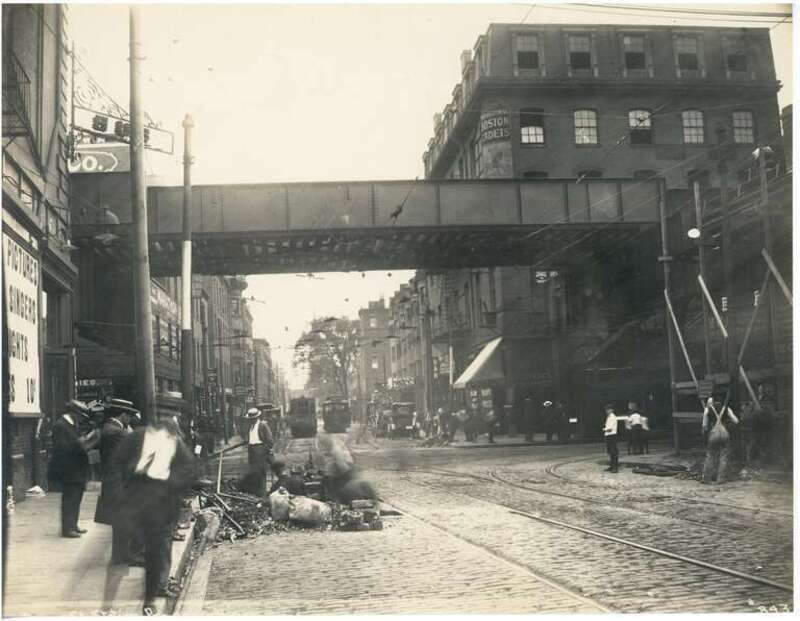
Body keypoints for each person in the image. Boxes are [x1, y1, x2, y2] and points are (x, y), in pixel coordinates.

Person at [112, 415, 196, 615]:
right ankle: (156, 583)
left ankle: (156, 585)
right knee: (154, 546)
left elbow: (187, 470)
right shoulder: (136, 439)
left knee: (157, 548)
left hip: (161, 504)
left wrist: (168, 480)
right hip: (140, 504)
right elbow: (116, 464)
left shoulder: (174, 445)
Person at [94, 399, 143, 564]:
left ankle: (120, 555)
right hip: (120, 483)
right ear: (122, 415)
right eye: (129, 416)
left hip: (114, 482)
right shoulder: (118, 433)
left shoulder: (110, 428)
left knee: (121, 520)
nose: (130, 420)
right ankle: (126, 555)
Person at [48, 400, 101, 537]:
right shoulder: (61, 426)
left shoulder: (72, 425)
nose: (82, 419)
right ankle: (67, 529)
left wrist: (84, 441)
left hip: (76, 469)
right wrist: (82, 443)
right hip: (69, 470)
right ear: (74, 413)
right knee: (70, 499)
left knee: (76, 498)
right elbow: (61, 448)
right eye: (81, 416)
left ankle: (73, 525)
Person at [702, 397, 739, 484]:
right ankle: (721, 479)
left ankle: (706, 478)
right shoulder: (726, 409)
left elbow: (704, 426)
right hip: (724, 433)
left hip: (713, 434)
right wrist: (727, 424)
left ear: (713, 401)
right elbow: (736, 421)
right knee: (724, 456)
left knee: (710, 455)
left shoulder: (708, 410)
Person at [243, 407, 273, 496]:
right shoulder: (251, 427)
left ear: (257, 417)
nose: (251, 420)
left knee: (260, 471)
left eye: (253, 418)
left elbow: (270, 439)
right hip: (252, 451)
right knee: (253, 471)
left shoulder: (263, 425)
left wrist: (265, 450)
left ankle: (262, 491)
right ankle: (257, 490)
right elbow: (250, 439)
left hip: (260, 450)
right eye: (250, 419)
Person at [602, 403, 619, 473]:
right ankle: (612, 466)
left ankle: (615, 467)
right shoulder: (609, 417)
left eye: (608, 409)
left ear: (612, 410)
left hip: (612, 435)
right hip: (608, 435)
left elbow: (610, 428)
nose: (607, 411)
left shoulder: (612, 417)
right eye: (606, 410)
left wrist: (604, 429)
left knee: (613, 452)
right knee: (610, 452)